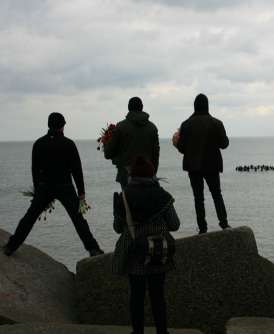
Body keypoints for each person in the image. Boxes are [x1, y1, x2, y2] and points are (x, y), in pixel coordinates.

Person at [3, 113, 103, 257]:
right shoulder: (68, 144)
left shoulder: (39, 143)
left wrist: (37, 190)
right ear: (62, 126)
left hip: (45, 187)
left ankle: (11, 246)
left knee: (29, 217)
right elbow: (76, 170)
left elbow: (35, 170)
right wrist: (81, 192)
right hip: (65, 186)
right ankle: (93, 249)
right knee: (78, 219)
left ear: (49, 125)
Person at [112, 156, 180, 334]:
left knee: (136, 297)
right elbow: (174, 224)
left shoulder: (124, 196)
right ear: (152, 174)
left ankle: (137, 332)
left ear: (132, 174)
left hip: (135, 252)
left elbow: (118, 228)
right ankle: (162, 332)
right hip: (159, 253)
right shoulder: (163, 195)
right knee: (158, 296)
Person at [174, 93, 230, 234]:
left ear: (194, 106)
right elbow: (224, 144)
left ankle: (202, 228)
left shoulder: (186, 125)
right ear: (207, 106)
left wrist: (176, 141)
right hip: (212, 165)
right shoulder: (217, 123)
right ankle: (224, 224)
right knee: (216, 194)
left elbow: (182, 148)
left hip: (193, 167)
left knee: (198, 198)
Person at [104, 97, 160, 188]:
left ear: (128, 108)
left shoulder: (121, 127)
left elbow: (108, 153)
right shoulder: (152, 128)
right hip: (148, 175)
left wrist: (106, 143)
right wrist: (152, 172)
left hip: (126, 175)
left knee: (129, 201)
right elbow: (156, 154)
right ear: (142, 107)